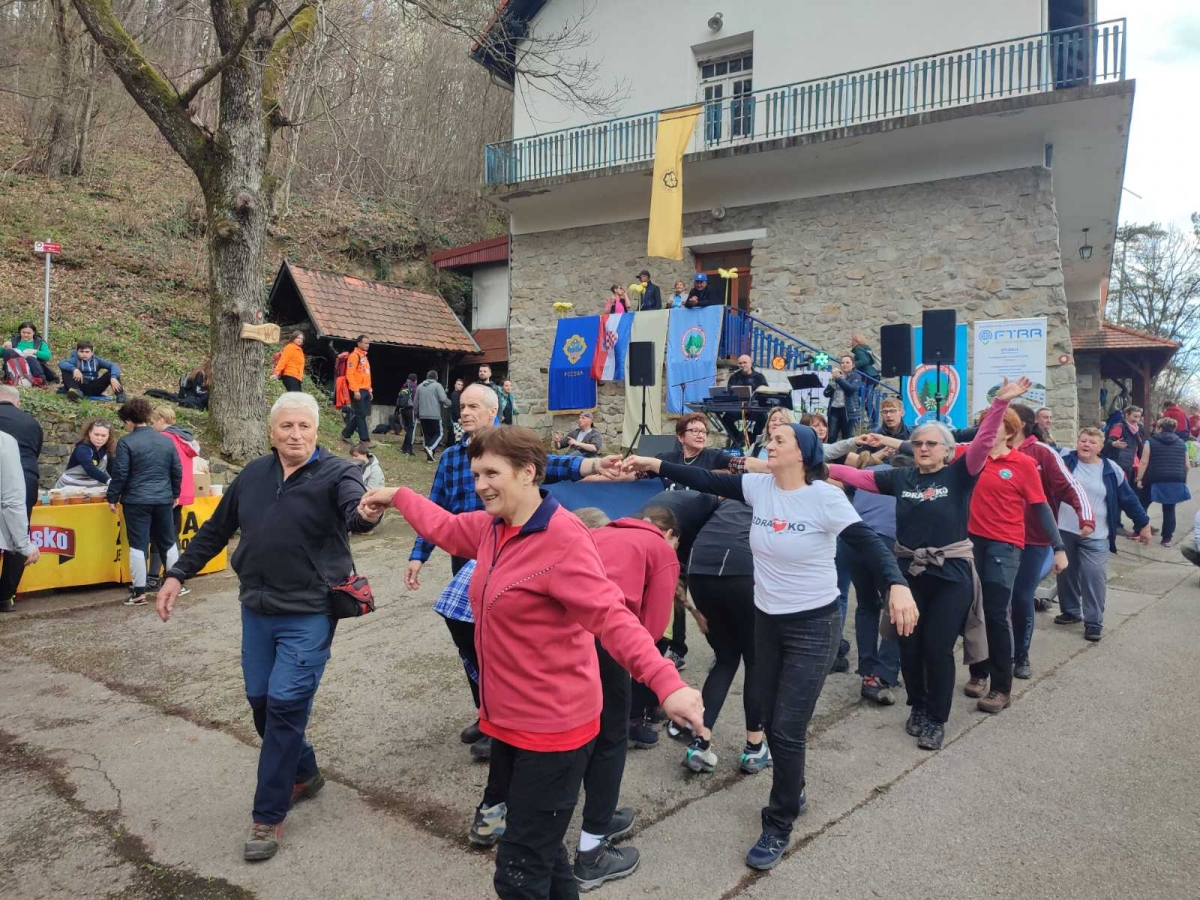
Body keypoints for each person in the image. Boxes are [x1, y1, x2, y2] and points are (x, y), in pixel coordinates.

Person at [361, 427, 704, 900]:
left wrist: (668, 684)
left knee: (518, 874)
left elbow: (612, 617)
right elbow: (445, 527)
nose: (481, 484)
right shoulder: (493, 527)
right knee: (545, 856)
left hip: (554, 732)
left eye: (491, 473)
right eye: (476, 474)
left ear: (527, 472)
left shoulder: (563, 540)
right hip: (509, 724)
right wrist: (398, 495)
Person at [624, 424, 915, 871]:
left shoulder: (824, 498)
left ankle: (779, 821)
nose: (770, 444)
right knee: (768, 711)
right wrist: (652, 462)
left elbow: (869, 545)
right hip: (767, 620)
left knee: (785, 726)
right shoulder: (758, 488)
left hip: (813, 625)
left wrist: (897, 584)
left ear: (803, 453)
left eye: (780, 440)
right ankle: (793, 787)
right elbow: (705, 477)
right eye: (771, 439)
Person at [157, 392, 379, 862]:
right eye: (286, 427)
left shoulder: (339, 472)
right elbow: (216, 531)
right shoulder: (253, 475)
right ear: (271, 432)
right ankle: (305, 771)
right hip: (257, 609)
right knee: (260, 702)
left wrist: (365, 513)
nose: (295, 435)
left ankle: (268, 814)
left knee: (284, 707)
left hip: (310, 612)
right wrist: (177, 574)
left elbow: (354, 511)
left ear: (316, 431)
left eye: (304, 426)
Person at [405, 385, 620, 762]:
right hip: (467, 556)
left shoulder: (511, 449)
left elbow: (552, 464)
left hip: (510, 553)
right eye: (462, 406)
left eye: (473, 406)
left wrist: (591, 465)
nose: (464, 412)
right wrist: (418, 555)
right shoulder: (453, 456)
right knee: (476, 641)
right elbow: (437, 509)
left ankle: (508, 724)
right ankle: (487, 713)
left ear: (493, 411)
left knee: (507, 644)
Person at [828, 377, 1031, 747]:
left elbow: (984, 440)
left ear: (948, 450)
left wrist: (1000, 403)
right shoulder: (902, 477)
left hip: (951, 574)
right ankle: (918, 706)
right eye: (919, 442)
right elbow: (854, 474)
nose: (923, 447)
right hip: (908, 575)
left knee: (937, 648)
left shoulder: (961, 473)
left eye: (931, 443)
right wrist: (815, 465)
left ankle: (937, 719)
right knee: (909, 647)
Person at [564, 507, 679, 888]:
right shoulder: (661, 550)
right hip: (607, 636)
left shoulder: (603, 532)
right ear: (669, 534)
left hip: (569, 632)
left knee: (585, 731)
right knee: (611, 738)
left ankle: (601, 811)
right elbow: (654, 628)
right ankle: (591, 853)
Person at [960, 400, 1067, 713]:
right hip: (970, 543)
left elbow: (1041, 507)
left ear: (1009, 432)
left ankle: (1001, 687)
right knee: (972, 608)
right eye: (982, 425)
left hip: (1004, 546)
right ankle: (978, 671)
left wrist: (1059, 547)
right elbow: (930, 447)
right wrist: (885, 440)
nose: (985, 430)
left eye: (992, 426)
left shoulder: (1022, 464)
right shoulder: (970, 456)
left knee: (996, 612)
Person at [674, 491, 774, 775]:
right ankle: (754, 748)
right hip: (741, 571)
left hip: (701, 572)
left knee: (726, 658)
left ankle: (700, 743)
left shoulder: (729, 497)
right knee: (756, 660)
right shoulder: (778, 496)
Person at [1008, 404, 1092, 680]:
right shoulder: (993, 450)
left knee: (1021, 596)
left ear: (1020, 424)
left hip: (1033, 539)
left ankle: (1021, 655)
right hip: (997, 537)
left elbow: (1070, 486)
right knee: (996, 598)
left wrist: (1085, 517)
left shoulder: (1042, 452)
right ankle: (995, 656)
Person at [1058, 427, 1150, 642]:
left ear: (1101, 447)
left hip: (1097, 533)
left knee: (1094, 576)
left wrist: (1143, 523)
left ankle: (1093, 622)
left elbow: (1128, 499)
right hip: (1065, 528)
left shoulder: (1111, 469)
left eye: (1092, 442)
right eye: (1083, 440)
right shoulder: (1064, 461)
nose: (1086, 445)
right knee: (1066, 573)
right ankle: (1071, 611)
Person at [107, 399, 181, 606]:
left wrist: (112, 497)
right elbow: (176, 470)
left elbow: (120, 473)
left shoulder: (126, 442)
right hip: (163, 498)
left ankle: (139, 592)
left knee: (138, 545)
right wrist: (175, 493)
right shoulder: (166, 440)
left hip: (136, 500)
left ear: (129, 421)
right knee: (168, 541)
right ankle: (177, 583)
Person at [146, 406, 199, 591]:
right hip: (183, 492)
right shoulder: (184, 438)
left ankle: (157, 577)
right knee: (172, 534)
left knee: (160, 535)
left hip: (167, 493)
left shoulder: (164, 439)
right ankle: (173, 574)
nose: (152, 426)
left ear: (161, 420)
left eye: (153, 422)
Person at [0, 385, 42, 603]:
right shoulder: (31, 423)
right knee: (19, 529)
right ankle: (6, 595)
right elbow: (36, 451)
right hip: (25, 477)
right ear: (18, 403)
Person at [1137, 418, 1191, 548]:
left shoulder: (1150, 442)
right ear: (1174, 429)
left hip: (1154, 478)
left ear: (1159, 428)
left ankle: (1140, 530)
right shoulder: (1182, 443)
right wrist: (1183, 479)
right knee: (1169, 508)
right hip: (1175, 479)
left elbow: (1144, 461)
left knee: (1142, 504)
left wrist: (1139, 478)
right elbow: (1187, 465)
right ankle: (1167, 539)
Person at [1103, 405, 1145, 532]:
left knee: (1131, 497)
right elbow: (1108, 442)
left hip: (1133, 465)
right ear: (1127, 415)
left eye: (1138, 417)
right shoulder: (1119, 427)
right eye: (1134, 416)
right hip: (1121, 465)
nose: (1136, 419)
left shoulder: (1137, 429)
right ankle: (1116, 524)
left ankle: (1140, 524)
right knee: (1120, 496)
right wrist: (1113, 443)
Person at [56, 418, 116, 488]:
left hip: (91, 490)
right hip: (67, 488)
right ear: (89, 433)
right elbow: (89, 468)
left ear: (108, 436)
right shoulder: (82, 448)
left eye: (103, 436)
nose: (99, 438)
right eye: (96, 434)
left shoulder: (108, 450)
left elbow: (112, 470)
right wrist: (108, 481)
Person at [59, 340, 126, 401]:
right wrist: (74, 369)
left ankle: (120, 395)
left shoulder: (96, 360)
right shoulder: (75, 359)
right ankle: (75, 394)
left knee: (112, 373)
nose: (84, 354)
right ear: (77, 351)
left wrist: (113, 377)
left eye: (87, 352)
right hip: (79, 385)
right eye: (81, 352)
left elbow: (114, 365)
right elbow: (62, 363)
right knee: (66, 370)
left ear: (92, 352)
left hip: (94, 386)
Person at [339, 335, 372, 444]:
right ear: (359, 343)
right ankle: (365, 440)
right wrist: (355, 390)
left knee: (360, 414)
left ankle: (346, 434)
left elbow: (366, 375)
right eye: (365, 343)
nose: (367, 345)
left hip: (365, 390)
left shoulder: (365, 357)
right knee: (361, 414)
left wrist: (369, 389)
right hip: (358, 390)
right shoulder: (354, 356)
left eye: (368, 343)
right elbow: (349, 374)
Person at [823, 355, 863, 443]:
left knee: (847, 438)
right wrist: (832, 382)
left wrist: (839, 378)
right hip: (834, 409)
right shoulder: (836, 378)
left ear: (853, 365)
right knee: (831, 437)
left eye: (847, 362)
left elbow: (851, 389)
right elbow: (826, 393)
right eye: (842, 363)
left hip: (848, 411)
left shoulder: (856, 376)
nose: (844, 364)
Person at [415, 370, 451, 461]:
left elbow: (415, 401)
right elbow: (443, 398)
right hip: (434, 415)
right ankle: (430, 448)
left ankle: (430, 457)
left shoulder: (419, 386)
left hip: (423, 415)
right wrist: (449, 403)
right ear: (436, 377)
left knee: (427, 435)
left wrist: (416, 413)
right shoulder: (437, 386)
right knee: (439, 433)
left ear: (427, 376)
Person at [394, 374, 417, 454]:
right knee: (411, 430)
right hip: (411, 410)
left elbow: (399, 399)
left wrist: (397, 410)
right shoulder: (415, 387)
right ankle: (408, 449)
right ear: (415, 380)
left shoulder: (404, 386)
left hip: (403, 410)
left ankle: (404, 448)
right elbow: (416, 400)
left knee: (408, 429)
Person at [445, 377, 463, 444]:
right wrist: (459, 417)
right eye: (459, 384)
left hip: (456, 416)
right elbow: (455, 406)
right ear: (455, 385)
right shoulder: (455, 394)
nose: (460, 386)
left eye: (461, 385)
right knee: (456, 433)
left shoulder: (458, 394)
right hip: (455, 417)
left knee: (455, 433)